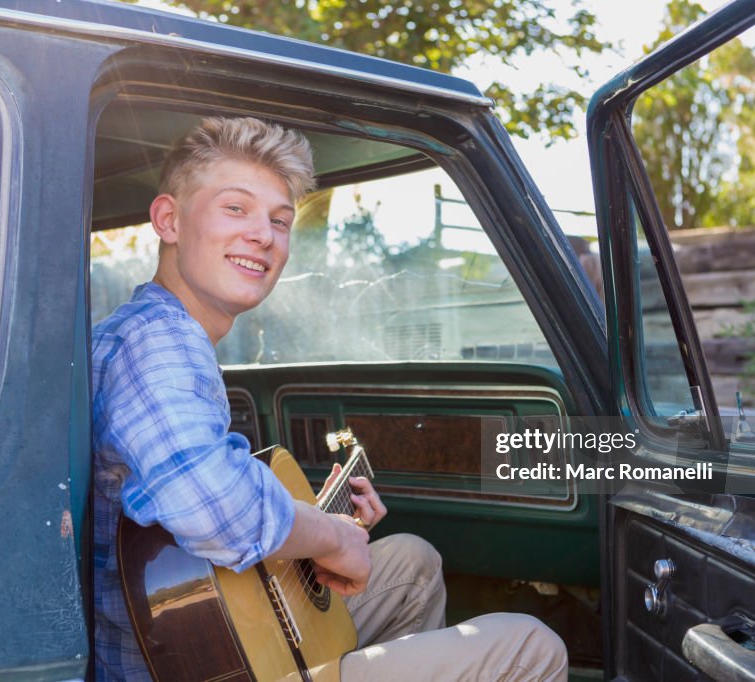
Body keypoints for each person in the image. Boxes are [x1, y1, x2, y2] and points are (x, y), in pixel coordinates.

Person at [91, 116, 568, 681]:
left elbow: (196, 495)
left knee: (411, 562)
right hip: (186, 664)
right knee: (531, 647)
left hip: (202, 629)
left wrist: (320, 523)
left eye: (280, 220)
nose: (263, 235)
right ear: (168, 220)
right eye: (236, 208)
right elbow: (212, 508)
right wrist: (330, 534)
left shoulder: (169, 332)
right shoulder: (157, 341)